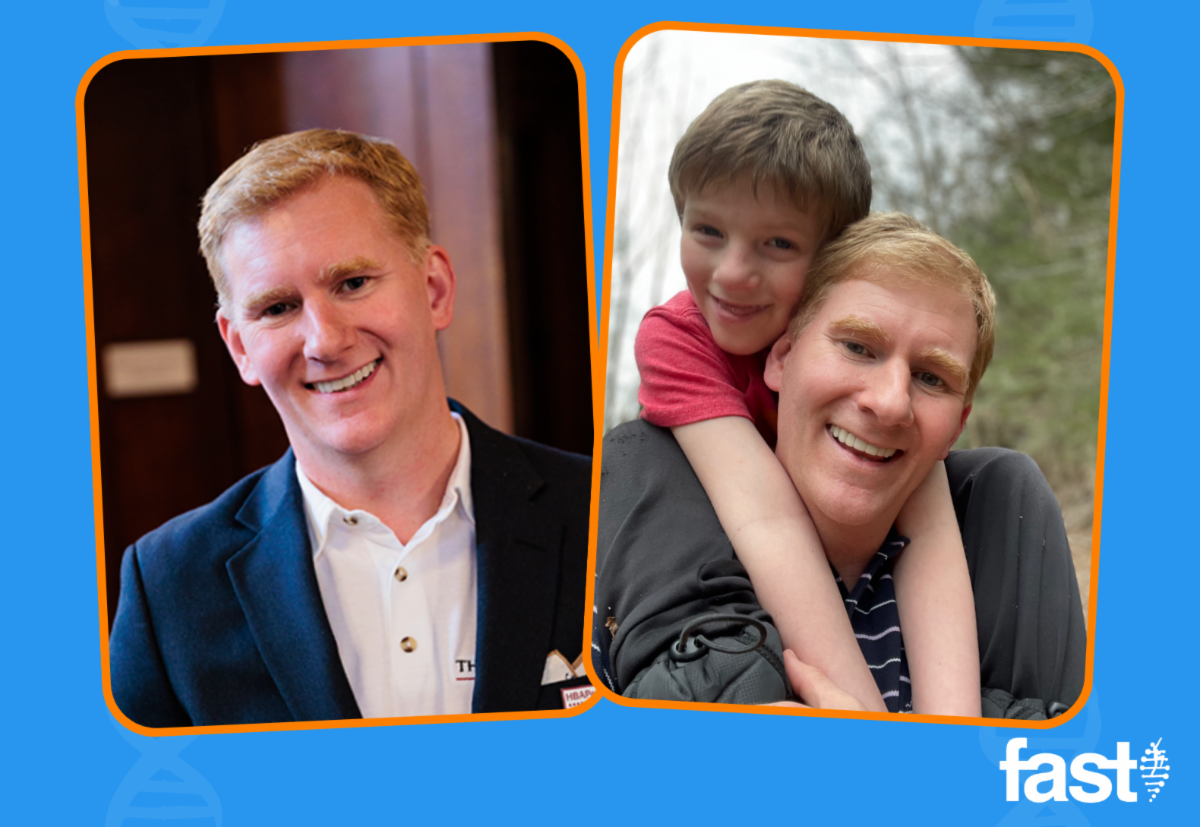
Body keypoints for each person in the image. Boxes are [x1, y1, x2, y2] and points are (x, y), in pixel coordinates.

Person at [109, 129, 592, 728]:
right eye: (278, 308)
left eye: (353, 283)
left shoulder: (614, 518)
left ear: (434, 289)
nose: (325, 341)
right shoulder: (169, 588)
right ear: (238, 347)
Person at [597, 213, 1086, 718]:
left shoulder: (993, 544)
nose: (892, 403)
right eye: (856, 347)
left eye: (932, 378)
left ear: (957, 427)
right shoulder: (648, 517)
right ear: (781, 358)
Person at [634, 82, 979, 714]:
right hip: (729, 590)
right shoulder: (677, 339)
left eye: (778, 244)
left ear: (833, 260)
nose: (733, 273)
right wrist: (864, 722)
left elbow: (929, 534)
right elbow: (766, 521)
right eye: (707, 229)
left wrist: (950, 734)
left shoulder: (870, 361)